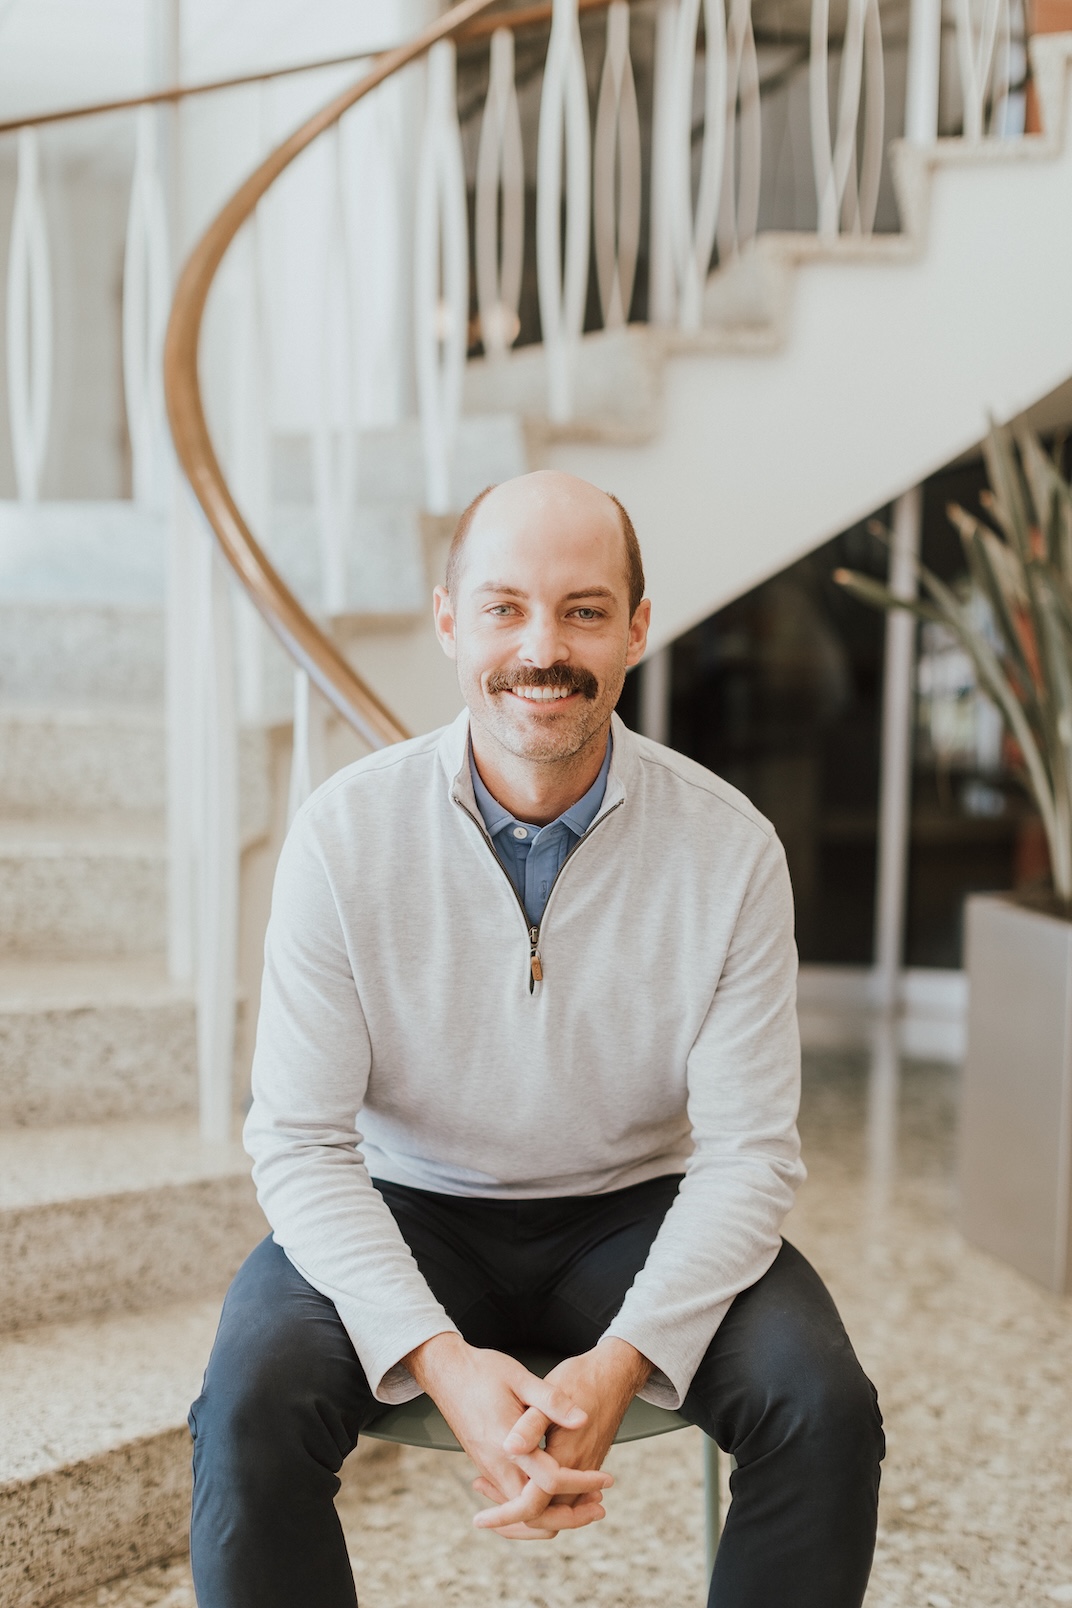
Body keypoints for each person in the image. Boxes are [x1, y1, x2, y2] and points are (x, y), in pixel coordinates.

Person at [188, 470, 884, 1608]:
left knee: (823, 1409)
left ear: (637, 630)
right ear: (449, 619)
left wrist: (623, 1364)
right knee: (247, 1408)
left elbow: (751, 1154)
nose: (542, 648)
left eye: (584, 609)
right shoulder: (340, 838)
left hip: (630, 1209)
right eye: (505, 607)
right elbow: (302, 1143)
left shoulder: (731, 851)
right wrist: (438, 1361)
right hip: (404, 1200)